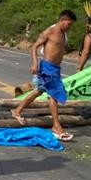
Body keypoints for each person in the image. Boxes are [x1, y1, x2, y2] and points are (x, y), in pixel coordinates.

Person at [12, 10, 77, 141]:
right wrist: (35, 64)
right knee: (54, 94)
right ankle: (56, 126)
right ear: (62, 20)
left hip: (55, 69)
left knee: (39, 91)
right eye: (68, 24)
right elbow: (34, 47)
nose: (69, 27)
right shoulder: (50, 31)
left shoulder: (64, 34)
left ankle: (17, 110)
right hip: (47, 68)